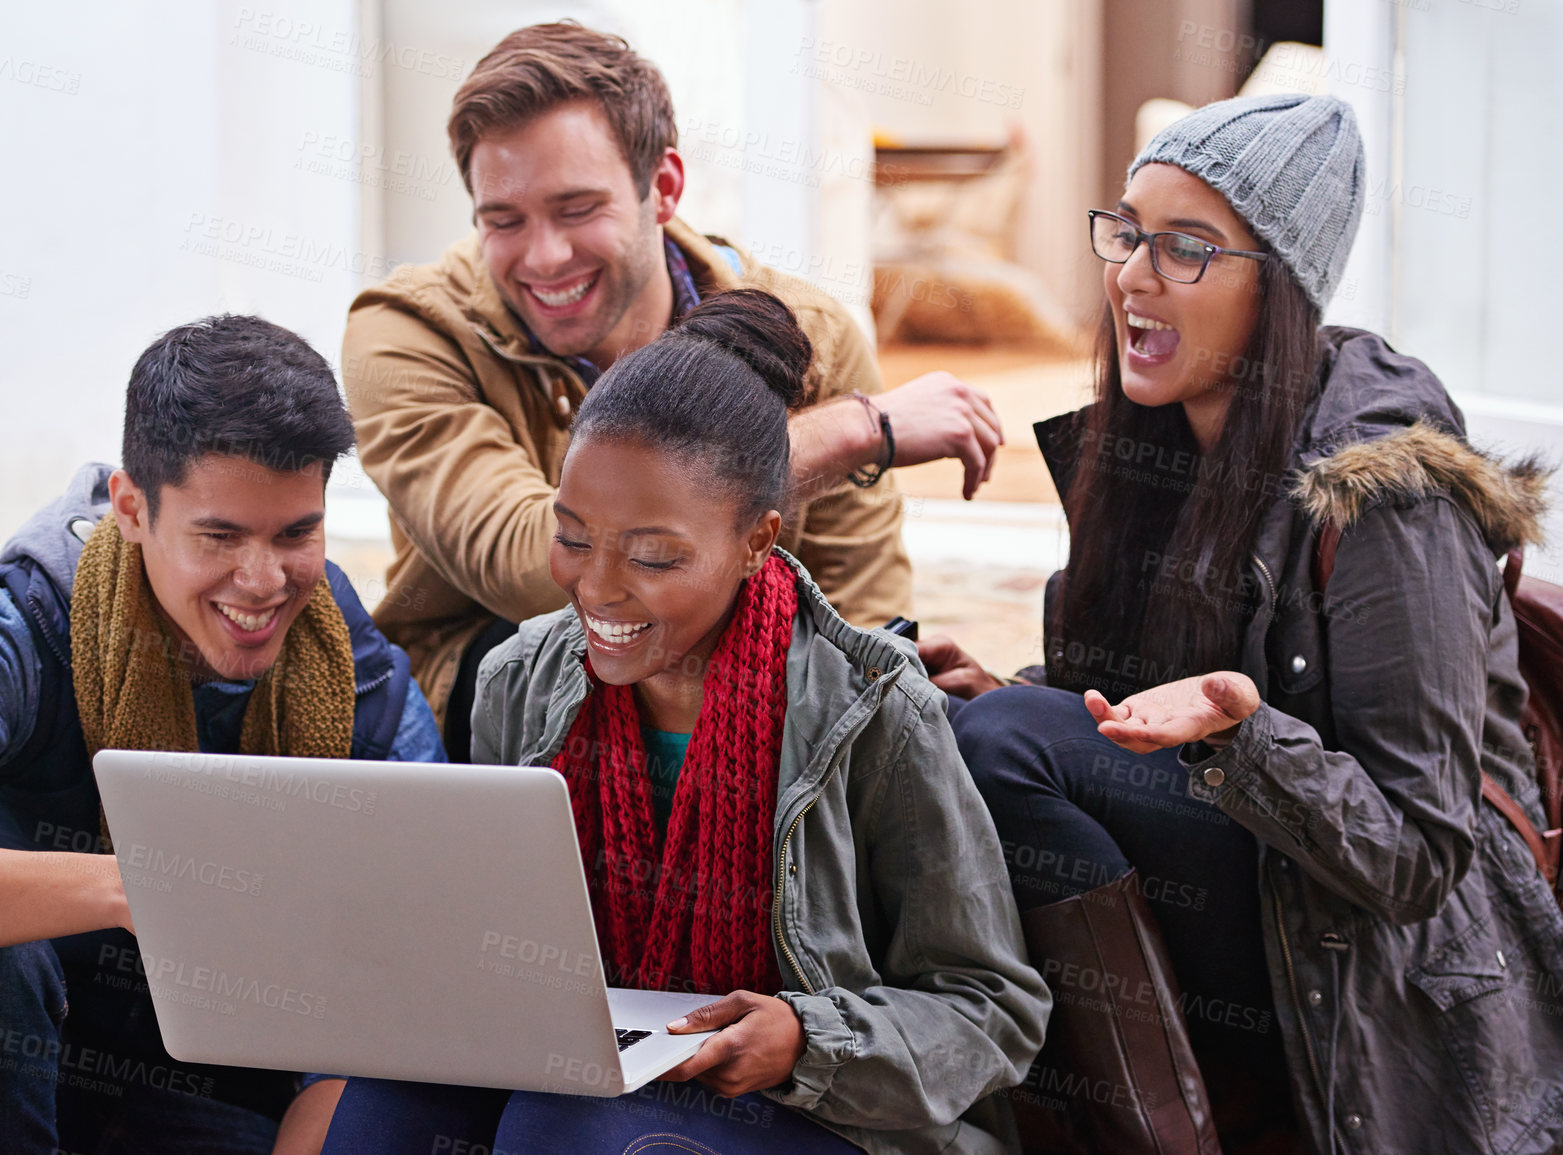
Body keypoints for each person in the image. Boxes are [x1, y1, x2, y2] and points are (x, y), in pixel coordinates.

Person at [924, 93, 1563, 1154]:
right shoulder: (1149, 449)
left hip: (1391, 948)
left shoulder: (1385, 492)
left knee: (1001, 750)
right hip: (1261, 871)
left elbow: (1417, 856)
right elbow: (1122, 715)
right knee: (956, 733)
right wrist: (1028, 697)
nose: (1131, 274)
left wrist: (1241, 731)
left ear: (1281, 289)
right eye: (1126, 233)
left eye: (1186, 249)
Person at [322, 290, 1049, 1154]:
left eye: (654, 555)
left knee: (563, 1129)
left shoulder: (875, 709)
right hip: (595, 1074)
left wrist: (805, 1040)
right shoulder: (517, 680)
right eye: (572, 536)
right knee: (376, 1106)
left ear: (757, 540)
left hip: (825, 1112)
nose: (595, 587)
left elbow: (991, 1009)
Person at [0, 316, 445, 1155]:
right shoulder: (21, 624)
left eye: (296, 532)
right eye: (220, 535)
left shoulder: (359, 675)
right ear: (131, 507)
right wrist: (146, 888)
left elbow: (423, 940)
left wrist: (322, 1120)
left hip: (220, 1102)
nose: (263, 580)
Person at [341, 21, 1007, 759]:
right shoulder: (407, 331)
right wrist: (839, 433)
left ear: (663, 188)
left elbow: (861, 613)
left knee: (955, 725)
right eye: (504, 220)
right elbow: (529, 569)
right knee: (569, 653)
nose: (544, 256)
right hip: (508, 684)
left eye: (576, 209)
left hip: (759, 680)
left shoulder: (811, 337)